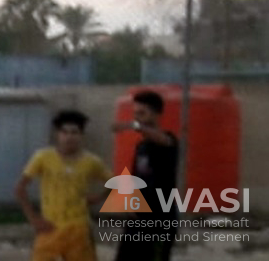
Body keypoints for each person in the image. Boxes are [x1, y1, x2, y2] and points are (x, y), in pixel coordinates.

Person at [15, 109, 111, 261]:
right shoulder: (43, 157)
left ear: (81, 135)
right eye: (64, 132)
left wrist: (99, 198)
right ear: (57, 134)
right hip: (50, 226)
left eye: (74, 132)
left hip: (78, 228)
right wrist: (33, 219)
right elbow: (20, 188)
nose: (69, 137)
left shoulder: (92, 162)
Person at [111, 89, 179, 260]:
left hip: (160, 220)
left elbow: (161, 139)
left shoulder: (169, 141)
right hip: (138, 219)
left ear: (157, 114)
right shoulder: (141, 146)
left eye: (142, 113)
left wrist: (133, 125)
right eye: (135, 114)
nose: (137, 118)